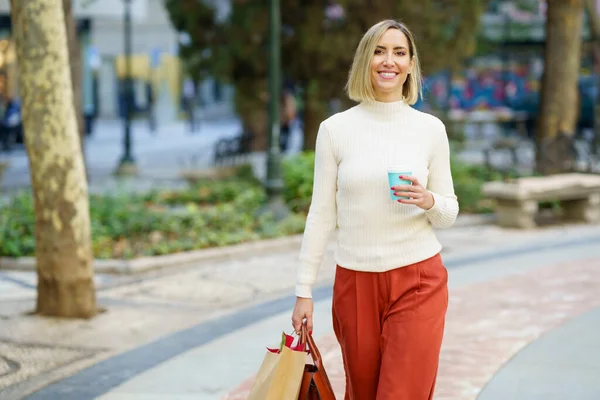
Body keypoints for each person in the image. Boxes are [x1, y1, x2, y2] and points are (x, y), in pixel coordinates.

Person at [291, 19, 459, 399]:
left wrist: (428, 200)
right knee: (363, 392)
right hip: (355, 283)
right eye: (380, 51)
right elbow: (321, 215)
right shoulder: (335, 130)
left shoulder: (430, 129)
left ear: (411, 64)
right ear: (365, 60)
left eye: (399, 52)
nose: (389, 61)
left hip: (418, 281)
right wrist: (304, 291)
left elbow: (448, 211)